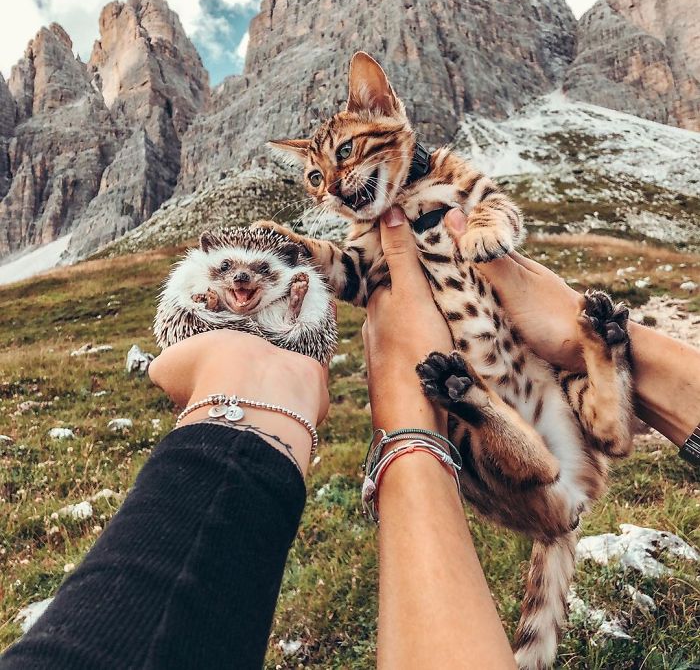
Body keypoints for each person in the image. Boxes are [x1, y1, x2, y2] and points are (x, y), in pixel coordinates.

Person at [2, 208, 698, 670]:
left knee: (477, 419)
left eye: (259, 275)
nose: (243, 283)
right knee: (530, 428)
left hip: (543, 450)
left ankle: (410, 427)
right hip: (548, 446)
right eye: (228, 275)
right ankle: (632, 359)